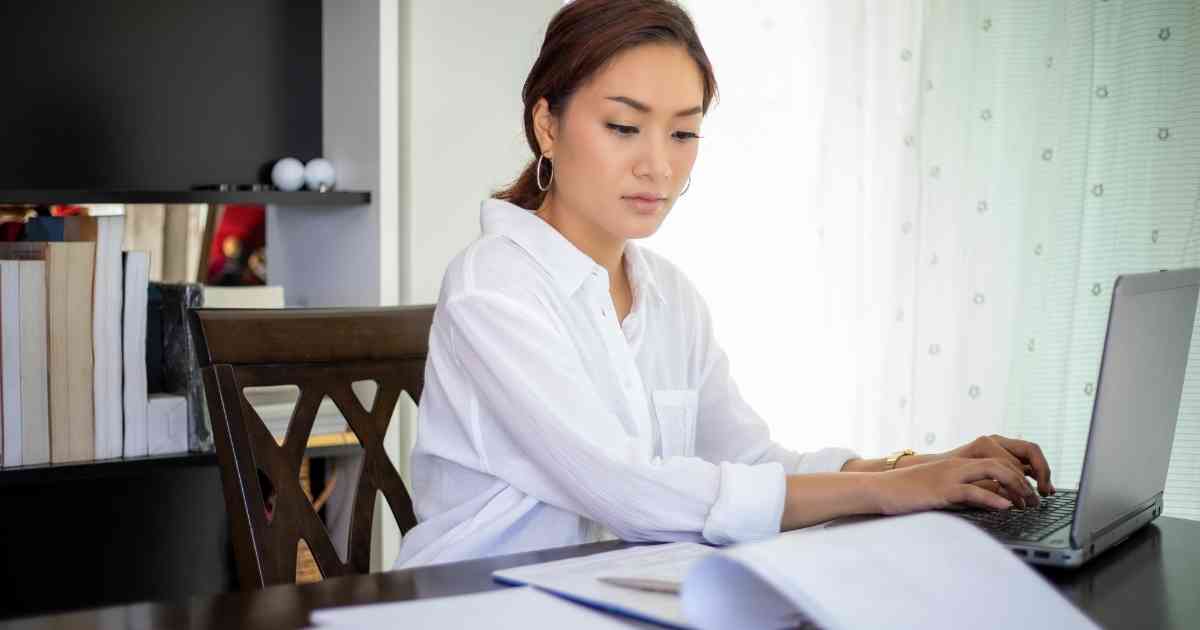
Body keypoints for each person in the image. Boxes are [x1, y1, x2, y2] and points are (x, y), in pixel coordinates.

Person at [393, 0, 1053, 569]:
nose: (659, 164)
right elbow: (629, 491)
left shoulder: (669, 294)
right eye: (624, 126)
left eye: (683, 132)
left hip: (619, 590)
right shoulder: (495, 286)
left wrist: (913, 469)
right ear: (547, 125)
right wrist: (892, 493)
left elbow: (749, 458)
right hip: (477, 601)